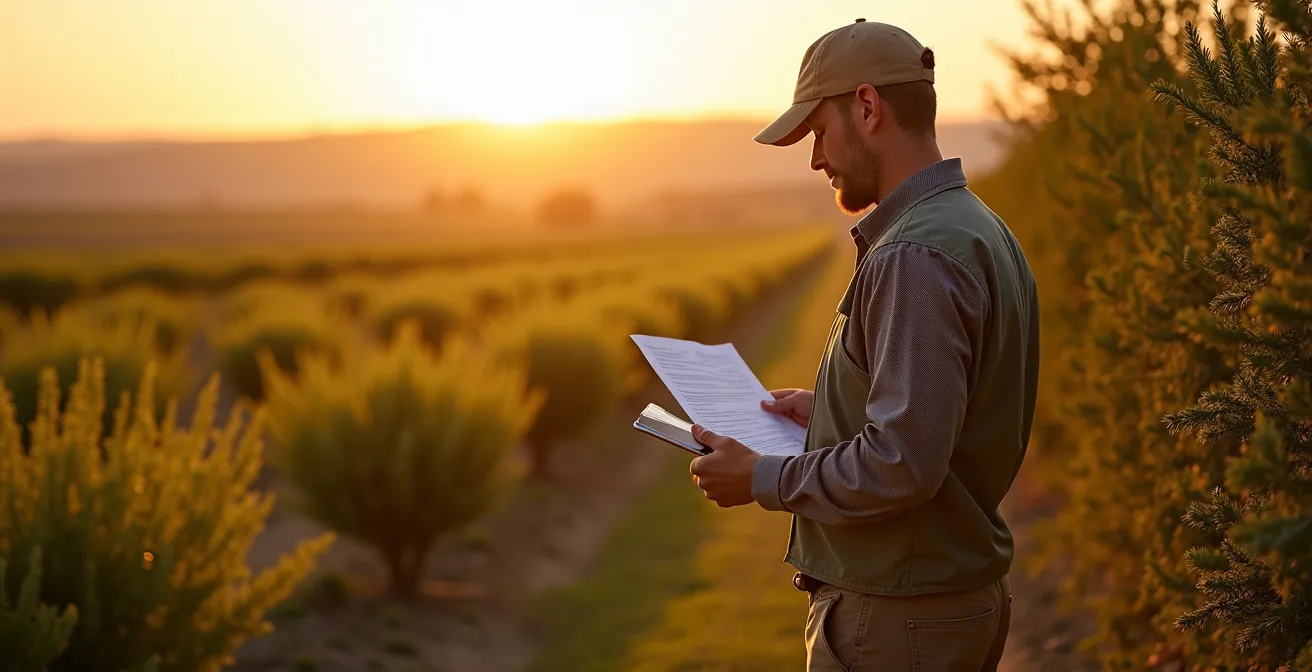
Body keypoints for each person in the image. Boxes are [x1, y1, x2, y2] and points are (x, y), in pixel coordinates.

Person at [686, 18, 1040, 671]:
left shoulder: (914, 254)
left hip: (899, 618)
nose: (816, 158)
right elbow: (941, 411)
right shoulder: (976, 226)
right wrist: (826, 406)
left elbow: (902, 462)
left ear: (869, 108)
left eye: (818, 132)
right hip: (932, 604)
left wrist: (761, 476)